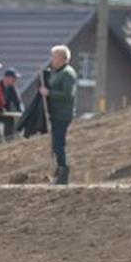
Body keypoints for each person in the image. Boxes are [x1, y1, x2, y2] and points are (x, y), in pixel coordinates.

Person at [39, 44, 77, 185]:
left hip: (62, 114)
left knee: (59, 144)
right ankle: (58, 172)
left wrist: (49, 93)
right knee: (56, 144)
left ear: (62, 58)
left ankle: (63, 174)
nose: (52, 60)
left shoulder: (67, 73)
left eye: (54, 57)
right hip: (55, 113)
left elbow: (67, 95)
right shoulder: (58, 73)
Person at [0, 67, 23, 141]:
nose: (15, 80)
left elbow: (18, 102)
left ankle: (9, 141)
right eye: (14, 78)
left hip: (5, 111)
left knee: (10, 120)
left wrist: (22, 112)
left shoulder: (11, 88)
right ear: (7, 78)